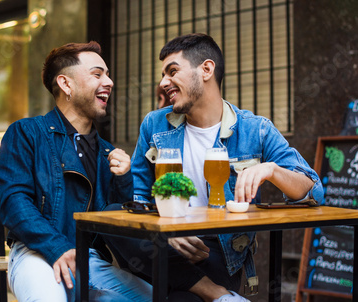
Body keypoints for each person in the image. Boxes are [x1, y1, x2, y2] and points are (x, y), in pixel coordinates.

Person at [106, 33, 324, 301]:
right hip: (162, 242)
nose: (163, 83)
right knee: (111, 214)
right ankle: (216, 294)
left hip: (216, 250)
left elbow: (316, 193)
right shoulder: (154, 124)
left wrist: (272, 170)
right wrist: (166, 231)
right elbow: (137, 199)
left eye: (172, 71)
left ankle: (192, 288)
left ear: (206, 69)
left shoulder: (255, 129)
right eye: (163, 74)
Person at [0, 41, 152, 302]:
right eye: (97, 74)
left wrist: (124, 179)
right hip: (37, 251)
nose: (110, 82)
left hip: (90, 259)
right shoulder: (27, 133)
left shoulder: (107, 153)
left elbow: (119, 226)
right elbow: (13, 203)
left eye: (108, 74)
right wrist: (57, 247)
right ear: (66, 84)